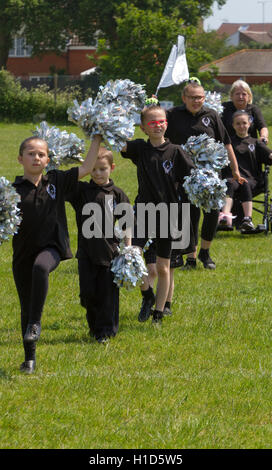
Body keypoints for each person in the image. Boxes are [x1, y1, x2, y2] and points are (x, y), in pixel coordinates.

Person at [12, 134, 102, 374]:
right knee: (26, 304)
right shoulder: (11, 191)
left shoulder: (57, 181)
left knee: (41, 268)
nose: (36, 157)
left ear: (48, 159)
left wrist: (97, 139)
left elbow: (86, 167)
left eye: (41, 154)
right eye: (31, 153)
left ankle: (36, 323)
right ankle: (29, 359)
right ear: (20, 158)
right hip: (22, 255)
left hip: (51, 248)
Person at [120, 102, 194, 323]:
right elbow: (119, 144)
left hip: (168, 214)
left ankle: (159, 313)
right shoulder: (140, 149)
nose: (157, 125)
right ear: (143, 127)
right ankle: (146, 294)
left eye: (161, 121)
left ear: (167, 124)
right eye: (152, 122)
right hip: (143, 212)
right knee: (133, 254)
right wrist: (114, 119)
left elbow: (193, 178)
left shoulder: (176, 151)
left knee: (163, 266)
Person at [165, 79, 245, 269]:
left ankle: (205, 253)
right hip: (185, 176)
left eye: (200, 97)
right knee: (190, 216)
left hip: (210, 176)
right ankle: (190, 258)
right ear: (184, 98)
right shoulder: (173, 115)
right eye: (193, 98)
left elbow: (226, 143)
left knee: (212, 213)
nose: (197, 101)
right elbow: (158, 132)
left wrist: (235, 169)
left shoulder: (211, 115)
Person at [66, 145, 131, 343]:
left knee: (107, 295)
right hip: (86, 252)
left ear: (112, 167)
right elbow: (65, 182)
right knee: (87, 294)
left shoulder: (117, 194)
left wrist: (128, 248)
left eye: (102, 168)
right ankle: (94, 326)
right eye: (93, 169)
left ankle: (105, 331)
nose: (98, 173)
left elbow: (127, 223)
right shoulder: (82, 191)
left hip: (110, 252)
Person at [219, 110, 272, 230]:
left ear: (249, 124)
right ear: (233, 125)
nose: (241, 126)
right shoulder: (228, 143)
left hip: (251, 179)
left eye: (244, 123)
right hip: (231, 178)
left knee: (245, 183)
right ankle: (224, 217)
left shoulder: (256, 142)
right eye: (238, 123)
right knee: (229, 183)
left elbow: (269, 156)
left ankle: (248, 220)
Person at [221, 79, 269, 143]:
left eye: (244, 94)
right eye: (237, 94)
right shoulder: (224, 108)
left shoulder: (254, 109)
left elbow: (263, 127)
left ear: (249, 96)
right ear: (231, 96)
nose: (240, 97)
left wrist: (264, 137)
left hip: (250, 147)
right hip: (229, 147)